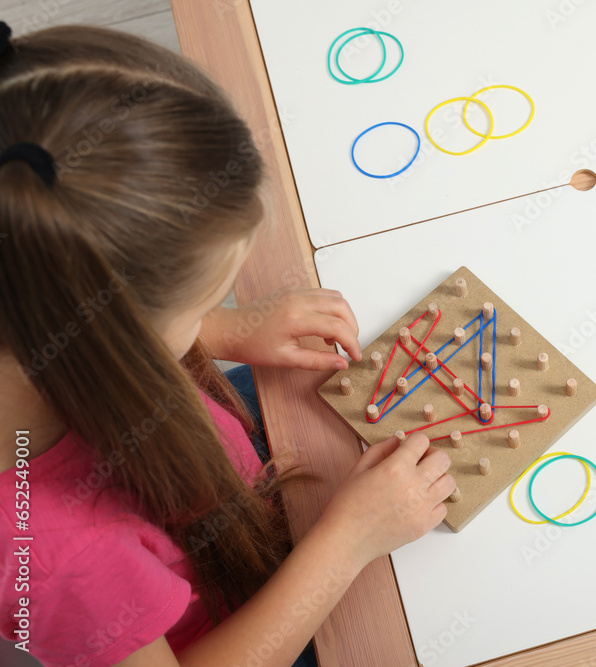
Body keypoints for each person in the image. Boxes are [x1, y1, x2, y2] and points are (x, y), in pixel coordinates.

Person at [0, 21, 455, 667]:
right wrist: (348, 541)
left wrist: (223, 331)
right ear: (109, 334)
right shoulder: (57, 563)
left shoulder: (27, 297)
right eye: (203, 303)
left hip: (225, 469)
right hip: (253, 619)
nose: (212, 314)